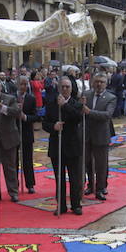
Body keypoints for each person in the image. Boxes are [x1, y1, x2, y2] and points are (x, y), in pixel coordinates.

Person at [43, 76, 83, 215]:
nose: (65, 89)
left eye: (67, 87)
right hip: (56, 145)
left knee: (74, 178)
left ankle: (76, 204)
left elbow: (77, 117)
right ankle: (61, 205)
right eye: (62, 87)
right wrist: (53, 126)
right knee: (59, 178)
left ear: (71, 89)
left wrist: (64, 106)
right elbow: (44, 123)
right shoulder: (51, 103)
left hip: (72, 145)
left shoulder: (76, 103)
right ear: (58, 88)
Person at [82, 72, 117, 202]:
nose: (98, 84)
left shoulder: (110, 97)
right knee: (87, 162)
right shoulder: (86, 95)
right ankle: (90, 185)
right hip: (86, 133)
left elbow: (107, 115)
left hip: (101, 134)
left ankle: (101, 188)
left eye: (101, 82)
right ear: (92, 82)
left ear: (105, 84)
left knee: (101, 164)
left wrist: (89, 112)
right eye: (96, 81)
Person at [14, 76, 39, 194]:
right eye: (21, 84)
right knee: (13, 160)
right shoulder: (11, 98)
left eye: (25, 84)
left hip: (27, 133)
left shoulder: (31, 99)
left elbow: (36, 116)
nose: (23, 87)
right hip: (13, 132)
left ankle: (30, 184)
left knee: (27, 160)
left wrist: (25, 117)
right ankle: (14, 184)